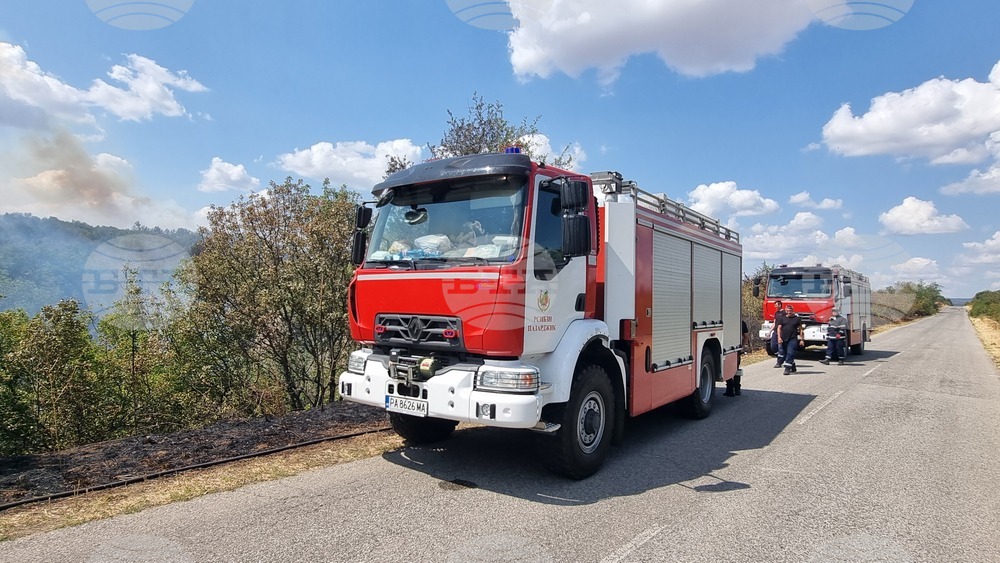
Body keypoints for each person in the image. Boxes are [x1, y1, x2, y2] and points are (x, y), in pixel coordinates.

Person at [725, 319, 751, 397]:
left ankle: (730, 389)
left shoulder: (726, 321)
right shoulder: (741, 322)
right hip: (736, 348)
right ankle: (737, 389)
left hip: (727, 348)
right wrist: (742, 346)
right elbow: (746, 336)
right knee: (736, 369)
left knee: (727, 368)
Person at [776, 304, 802, 375]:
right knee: (785, 353)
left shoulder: (797, 319)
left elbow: (800, 329)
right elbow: (779, 328)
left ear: (792, 311)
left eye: (790, 311)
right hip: (784, 339)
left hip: (793, 339)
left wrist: (802, 339)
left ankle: (787, 368)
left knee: (790, 353)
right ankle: (792, 365)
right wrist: (779, 338)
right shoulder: (782, 318)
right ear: (785, 311)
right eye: (787, 311)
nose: (789, 312)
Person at [771, 300, 784, 368]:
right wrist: (770, 331)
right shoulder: (776, 313)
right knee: (773, 346)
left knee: (780, 347)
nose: (775, 306)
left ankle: (779, 362)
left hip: (782, 332)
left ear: (780, 305)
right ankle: (781, 356)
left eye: (776, 305)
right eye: (775, 305)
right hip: (775, 332)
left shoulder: (784, 313)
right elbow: (774, 322)